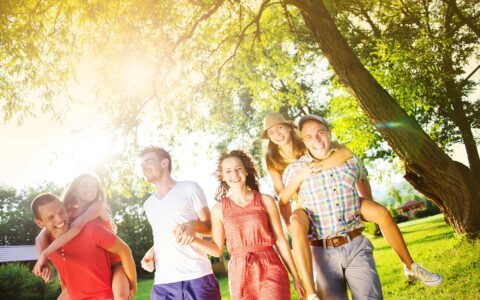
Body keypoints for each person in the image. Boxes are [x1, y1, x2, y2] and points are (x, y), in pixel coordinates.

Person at [262, 112, 442, 298]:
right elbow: (282, 198)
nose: (277, 134)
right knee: (297, 221)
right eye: (271, 132)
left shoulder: (332, 150)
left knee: (380, 212)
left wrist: (365, 201)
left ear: (291, 129)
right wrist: (293, 226)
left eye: (280, 128)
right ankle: (311, 293)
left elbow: (352, 162)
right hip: (309, 211)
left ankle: (410, 265)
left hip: (347, 210)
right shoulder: (278, 161)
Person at [191, 150, 305, 300]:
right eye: (228, 171)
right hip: (239, 272)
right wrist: (193, 239)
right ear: (223, 177)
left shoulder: (266, 200)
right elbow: (217, 250)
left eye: (238, 168)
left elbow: (280, 240)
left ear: (246, 171)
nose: (234, 174)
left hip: (270, 266)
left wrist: (296, 277)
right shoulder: (218, 209)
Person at [139, 146, 221, 300]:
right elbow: (163, 236)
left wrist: (193, 224)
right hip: (163, 283)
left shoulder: (189, 188)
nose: (144, 167)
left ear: (164, 163)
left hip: (197, 277)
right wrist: (152, 251)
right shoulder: (148, 204)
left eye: (148, 162)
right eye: (142, 165)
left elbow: (210, 228)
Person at [33, 174, 132, 300]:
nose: (90, 188)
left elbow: (76, 228)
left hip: (114, 264)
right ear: (74, 191)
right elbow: (40, 237)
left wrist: (45, 254)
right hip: (91, 271)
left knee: (121, 296)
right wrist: (43, 261)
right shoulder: (65, 212)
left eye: (93, 185)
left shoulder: (97, 206)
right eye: (85, 185)